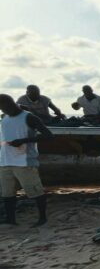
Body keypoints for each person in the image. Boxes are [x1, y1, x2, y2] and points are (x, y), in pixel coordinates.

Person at [0, 94, 54, 226]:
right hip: (5, 161)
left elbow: (48, 136)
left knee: (35, 191)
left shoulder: (28, 117)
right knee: (7, 193)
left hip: (24, 161)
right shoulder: (5, 118)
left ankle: (42, 218)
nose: (2, 111)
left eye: (3, 107)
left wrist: (23, 141)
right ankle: (10, 219)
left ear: (10, 103)